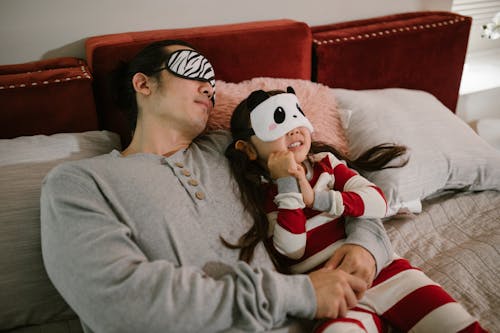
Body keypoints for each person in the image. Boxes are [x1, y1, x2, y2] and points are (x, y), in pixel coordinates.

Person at [41, 40, 395, 333]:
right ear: (143, 84)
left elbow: (332, 177)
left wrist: (367, 246)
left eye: (212, 81)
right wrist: (297, 294)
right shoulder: (79, 184)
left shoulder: (239, 150)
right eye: (192, 69)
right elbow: (119, 305)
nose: (209, 87)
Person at [224, 87, 487, 333]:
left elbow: (377, 202)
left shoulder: (326, 164)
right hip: (335, 295)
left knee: (458, 325)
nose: (293, 130)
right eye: (279, 124)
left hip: (389, 272)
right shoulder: (262, 195)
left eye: (296, 118)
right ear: (247, 149)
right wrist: (288, 185)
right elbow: (293, 250)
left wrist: (316, 198)